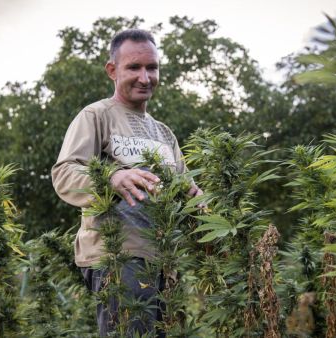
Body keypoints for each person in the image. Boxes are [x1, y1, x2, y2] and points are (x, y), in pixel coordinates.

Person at [51, 29, 202, 336]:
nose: (145, 77)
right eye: (134, 67)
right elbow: (64, 173)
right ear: (112, 70)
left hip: (164, 261)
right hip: (117, 257)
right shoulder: (96, 116)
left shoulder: (164, 133)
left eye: (152, 68)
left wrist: (196, 199)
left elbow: (185, 189)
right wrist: (111, 176)